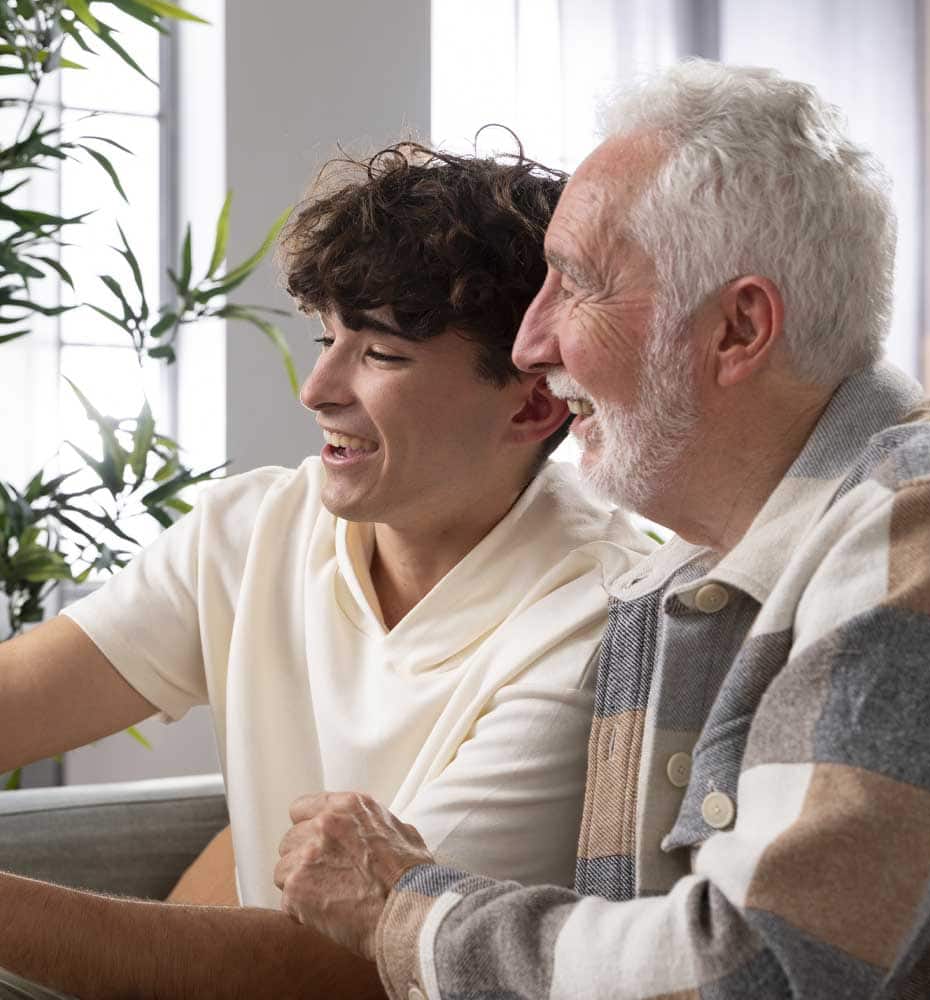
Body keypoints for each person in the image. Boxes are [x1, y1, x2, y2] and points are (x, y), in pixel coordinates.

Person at [274, 61, 930, 999]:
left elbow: (755, 971)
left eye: (574, 286)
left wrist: (405, 905)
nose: (532, 347)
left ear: (739, 330)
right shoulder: (673, 581)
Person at [0, 142, 655, 998]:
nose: (316, 388)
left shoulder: (603, 619)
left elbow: (353, 965)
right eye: (325, 336)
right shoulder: (253, 531)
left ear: (533, 403)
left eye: (380, 355)